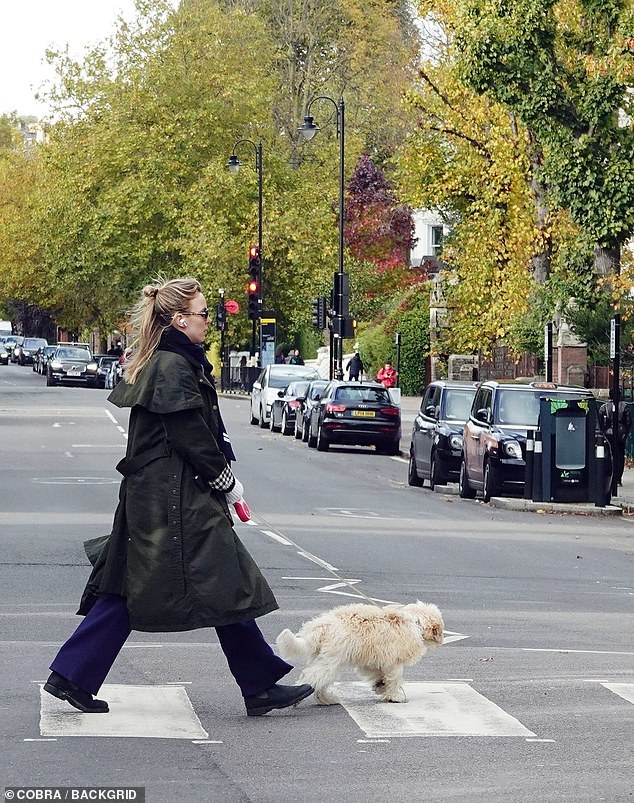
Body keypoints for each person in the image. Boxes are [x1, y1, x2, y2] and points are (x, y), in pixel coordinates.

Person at [44, 278, 313, 717]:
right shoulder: (171, 365)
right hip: (174, 498)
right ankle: (259, 684)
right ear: (179, 319)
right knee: (221, 577)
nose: (209, 321)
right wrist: (225, 480)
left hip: (164, 495)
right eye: (204, 313)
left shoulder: (175, 360)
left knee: (140, 584)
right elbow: (190, 434)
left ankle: (72, 675)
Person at [599, 390, 632, 486]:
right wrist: (625, 432)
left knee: (609, 456)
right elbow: (628, 421)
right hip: (620, 435)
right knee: (620, 457)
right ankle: (618, 479)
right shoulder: (624, 406)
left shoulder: (604, 407)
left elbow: (600, 422)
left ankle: (611, 477)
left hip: (608, 434)